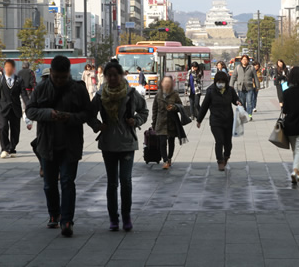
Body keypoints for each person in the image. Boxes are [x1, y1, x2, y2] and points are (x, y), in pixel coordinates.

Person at [27, 56, 92, 237]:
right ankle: (54, 214)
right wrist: (48, 114)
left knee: (67, 183)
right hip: (47, 143)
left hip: (70, 143)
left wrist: (70, 117)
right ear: (51, 73)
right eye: (56, 77)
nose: (60, 81)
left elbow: (87, 113)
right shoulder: (41, 87)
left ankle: (67, 221)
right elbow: (30, 110)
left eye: (63, 77)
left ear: (69, 73)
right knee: (49, 185)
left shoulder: (78, 88)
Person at [89, 59, 148, 232]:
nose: (113, 78)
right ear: (105, 77)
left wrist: (135, 120)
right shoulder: (100, 96)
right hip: (108, 143)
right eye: (110, 75)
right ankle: (113, 218)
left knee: (126, 180)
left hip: (127, 142)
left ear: (121, 75)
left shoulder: (130, 94)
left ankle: (126, 216)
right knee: (112, 182)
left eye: (116, 75)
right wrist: (98, 125)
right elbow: (89, 115)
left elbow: (144, 111)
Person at [197, 71, 240, 171]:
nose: (221, 83)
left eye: (223, 81)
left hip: (228, 120)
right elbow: (204, 106)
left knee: (228, 142)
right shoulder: (211, 91)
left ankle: (226, 156)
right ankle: (220, 161)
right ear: (216, 81)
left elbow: (235, 99)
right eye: (219, 81)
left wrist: (238, 102)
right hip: (216, 121)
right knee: (219, 140)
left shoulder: (230, 90)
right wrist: (199, 120)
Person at [0, 59, 30, 159]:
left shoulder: (19, 80)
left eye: (10, 67)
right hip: (2, 109)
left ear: (14, 69)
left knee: (15, 130)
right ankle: (4, 149)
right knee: (3, 128)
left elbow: (24, 94)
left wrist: (28, 105)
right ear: (5, 68)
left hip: (15, 108)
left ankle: (12, 147)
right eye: (7, 67)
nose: (8, 69)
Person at [152, 75, 183, 170]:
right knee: (162, 142)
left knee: (171, 141)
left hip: (171, 122)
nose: (167, 84)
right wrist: (154, 123)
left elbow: (180, 106)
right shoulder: (158, 95)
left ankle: (169, 158)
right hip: (161, 122)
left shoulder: (175, 94)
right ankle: (165, 160)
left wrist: (174, 107)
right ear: (162, 84)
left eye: (169, 83)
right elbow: (155, 109)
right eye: (165, 82)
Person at [30, 67, 51, 178]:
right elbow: (30, 109)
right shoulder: (39, 91)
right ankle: (43, 166)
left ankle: (50, 169)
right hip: (43, 127)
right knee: (37, 145)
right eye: (45, 78)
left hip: (56, 128)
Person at [229, 55, 259, 120]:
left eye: (246, 59)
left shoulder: (251, 68)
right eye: (243, 59)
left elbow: (255, 77)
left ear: (248, 60)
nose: (244, 61)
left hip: (249, 88)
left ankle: (250, 115)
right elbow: (233, 76)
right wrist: (231, 85)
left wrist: (257, 86)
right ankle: (244, 114)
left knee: (249, 102)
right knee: (242, 102)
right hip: (240, 88)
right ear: (241, 60)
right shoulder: (238, 67)